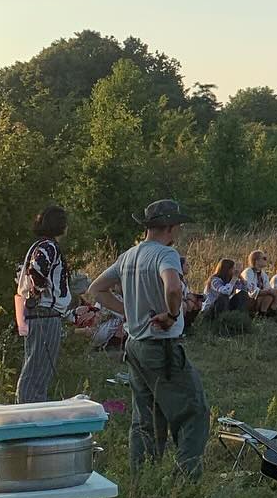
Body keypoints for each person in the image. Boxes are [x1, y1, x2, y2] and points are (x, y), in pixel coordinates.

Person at [87, 200, 210, 477]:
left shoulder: (128, 256)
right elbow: (173, 287)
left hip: (135, 346)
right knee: (193, 412)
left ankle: (142, 479)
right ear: (170, 226)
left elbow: (97, 289)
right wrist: (172, 314)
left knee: (146, 417)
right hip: (160, 346)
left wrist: (128, 312)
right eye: (178, 225)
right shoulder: (166, 254)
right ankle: (186, 480)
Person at [14, 205, 72, 403]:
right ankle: (29, 411)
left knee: (36, 368)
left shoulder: (39, 246)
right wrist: (37, 293)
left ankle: (30, 407)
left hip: (41, 314)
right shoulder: (49, 247)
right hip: (44, 314)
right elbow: (36, 270)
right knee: (37, 371)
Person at [242, 249, 277, 315]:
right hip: (248, 299)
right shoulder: (248, 272)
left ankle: (266, 312)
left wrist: (275, 291)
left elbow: (267, 287)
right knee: (269, 294)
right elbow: (250, 289)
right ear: (256, 261)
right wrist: (268, 291)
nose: (266, 260)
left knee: (274, 294)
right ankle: (261, 313)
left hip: (259, 297)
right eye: (264, 258)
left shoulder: (263, 274)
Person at [178, 256, 204, 327]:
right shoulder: (176, 278)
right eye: (186, 265)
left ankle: (190, 323)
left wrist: (196, 297)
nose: (188, 267)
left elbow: (187, 292)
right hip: (179, 300)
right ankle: (183, 325)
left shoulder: (184, 280)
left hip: (185, 298)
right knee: (189, 304)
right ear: (180, 266)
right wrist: (187, 298)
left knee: (199, 302)